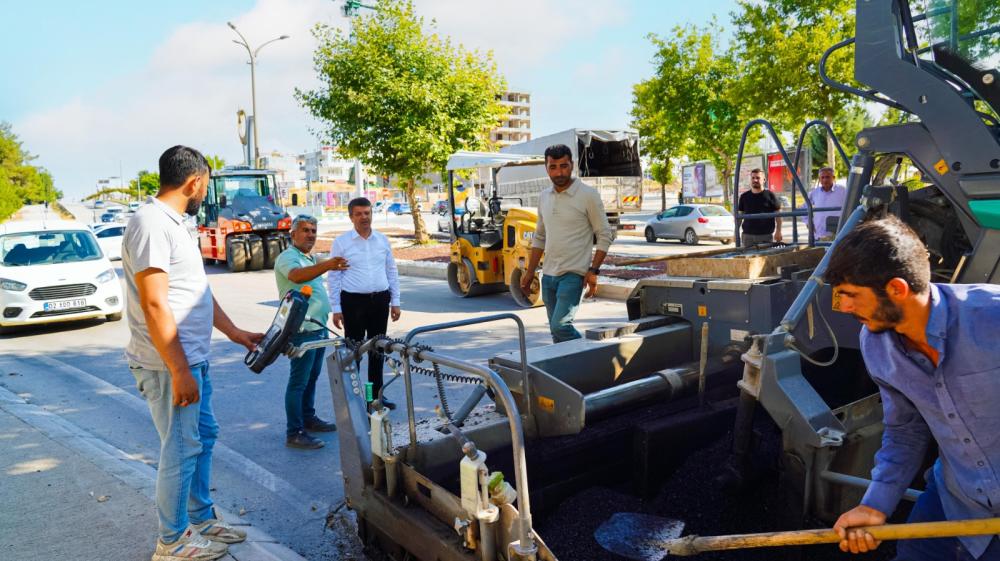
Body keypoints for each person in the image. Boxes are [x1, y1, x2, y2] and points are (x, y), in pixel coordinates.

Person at [825, 215, 1000, 560]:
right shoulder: (876, 344)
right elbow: (905, 430)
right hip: (957, 501)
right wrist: (876, 504)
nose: (843, 307)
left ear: (897, 289)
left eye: (850, 295)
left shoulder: (992, 317)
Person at [123, 146, 264, 561]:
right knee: (181, 448)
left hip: (192, 358)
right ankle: (171, 541)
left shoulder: (177, 224)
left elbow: (196, 292)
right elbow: (154, 304)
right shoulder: (151, 224)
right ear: (195, 181)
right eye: (205, 183)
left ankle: (201, 519)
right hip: (168, 364)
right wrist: (180, 370)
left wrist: (235, 332)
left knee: (203, 438)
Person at [521, 144, 615, 343]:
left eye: (564, 166)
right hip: (548, 276)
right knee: (556, 334)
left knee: (561, 326)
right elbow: (540, 236)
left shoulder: (587, 195)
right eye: (553, 167)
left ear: (572, 165)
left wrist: (594, 271)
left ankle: (591, 355)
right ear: (546, 168)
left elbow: (605, 234)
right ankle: (569, 372)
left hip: (573, 274)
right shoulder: (544, 197)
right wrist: (530, 273)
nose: (559, 172)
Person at [274, 214, 348, 449]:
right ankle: (294, 432)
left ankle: (308, 418)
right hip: (302, 329)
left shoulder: (308, 258)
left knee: (312, 377)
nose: (310, 235)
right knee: (299, 381)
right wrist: (327, 264)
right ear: (293, 234)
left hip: (317, 327)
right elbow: (296, 276)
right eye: (305, 230)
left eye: (314, 231)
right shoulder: (288, 258)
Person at [328, 197, 401, 409]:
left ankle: (375, 397)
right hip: (353, 303)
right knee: (355, 352)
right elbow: (334, 277)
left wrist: (395, 301)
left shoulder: (382, 240)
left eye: (367, 213)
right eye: (359, 214)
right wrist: (336, 308)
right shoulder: (341, 242)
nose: (364, 218)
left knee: (377, 351)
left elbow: (391, 270)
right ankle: (355, 398)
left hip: (379, 300)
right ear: (351, 217)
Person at [737, 168, 783, 246]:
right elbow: (740, 216)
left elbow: (779, 216)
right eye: (753, 178)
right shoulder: (744, 196)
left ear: (764, 180)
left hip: (765, 236)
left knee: (765, 258)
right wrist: (736, 232)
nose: (755, 180)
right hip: (747, 236)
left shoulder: (770, 195)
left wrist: (778, 231)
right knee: (747, 258)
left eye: (758, 178)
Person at [804, 166, 847, 239]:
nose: (825, 180)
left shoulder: (843, 191)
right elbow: (804, 208)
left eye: (827, 177)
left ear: (833, 178)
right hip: (818, 234)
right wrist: (808, 222)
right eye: (822, 177)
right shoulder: (814, 192)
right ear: (819, 179)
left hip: (837, 234)